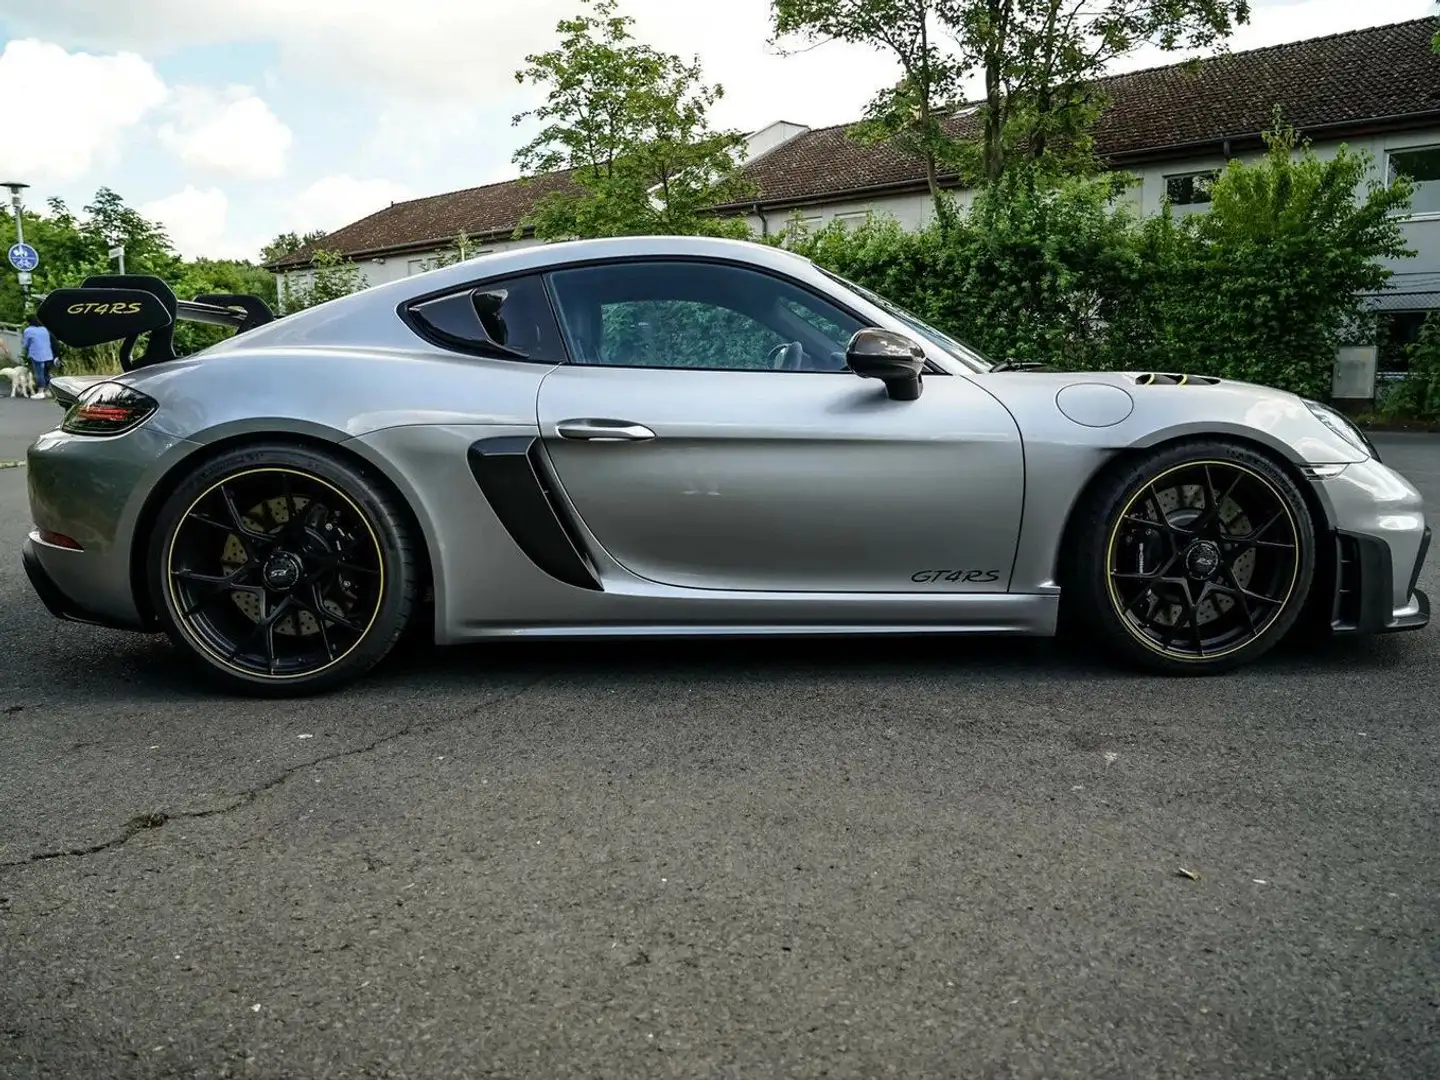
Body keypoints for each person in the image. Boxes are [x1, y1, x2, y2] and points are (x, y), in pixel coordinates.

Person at [21, 314, 55, 398]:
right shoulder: (44, 329)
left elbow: (26, 344)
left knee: (39, 373)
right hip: (48, 354)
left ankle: (40, 392)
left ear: (28, 322)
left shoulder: (28, 330)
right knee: (46, 373)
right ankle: (48, 391)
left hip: (36, 354)